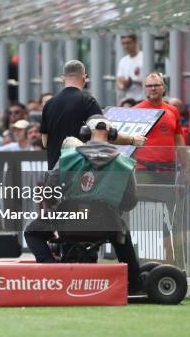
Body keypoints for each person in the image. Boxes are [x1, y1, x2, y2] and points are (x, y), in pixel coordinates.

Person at [24, 114, 143, 293]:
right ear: (112, 133)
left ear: (85, 132)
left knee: (32, 232)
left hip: (68, 220)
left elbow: (50, 191)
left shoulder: (68, 157)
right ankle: (135, 285)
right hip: (107, 222)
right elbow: (130, 202)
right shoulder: (124, 163)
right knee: (122, 235)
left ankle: (52, 270)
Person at [41, 60, 145, 170]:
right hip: (79, 171)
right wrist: (132, 140)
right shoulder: (88, 101)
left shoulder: (48, 104)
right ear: (84, 77)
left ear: (62, 78)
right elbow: (104, 134)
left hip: (54, 171)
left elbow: (45, 142)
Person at [133, 73, 187, 177]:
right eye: (149, 86)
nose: (153, 88)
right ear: (145, 89)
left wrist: (186, 167)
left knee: (168, 194)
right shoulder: (136, 111)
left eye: (156, 85)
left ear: (163, 88)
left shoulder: (173, 110)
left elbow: (179, 141)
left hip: (169, 169)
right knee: (144, 194)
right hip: (144, 169)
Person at [116, 35, 144, 102]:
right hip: (128, 100)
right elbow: (118, 81)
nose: (126, 46)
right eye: (123, 43)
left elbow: (150, 80)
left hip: (142, 98)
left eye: (128, 43)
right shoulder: (123, 61)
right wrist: (124, 85)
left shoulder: (144, 58)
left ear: (135, 42)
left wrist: (133, 82)